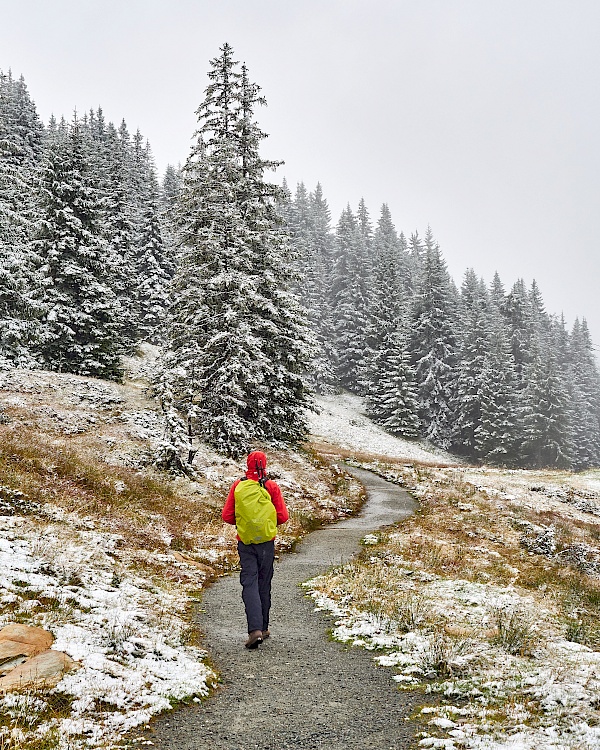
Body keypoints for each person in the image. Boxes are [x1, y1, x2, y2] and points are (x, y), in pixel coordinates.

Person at [222, 450, 289, 649]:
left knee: (249, 581)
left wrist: (245, 521)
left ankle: (255, 630)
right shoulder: (271, 486)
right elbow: (283, 517)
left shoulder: (238, 486)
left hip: (246, 542)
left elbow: (227, 516)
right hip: (267, 543)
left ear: (248, 463)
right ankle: (265, 627)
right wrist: (266, 521)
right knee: (264, 582)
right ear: (265, 464)